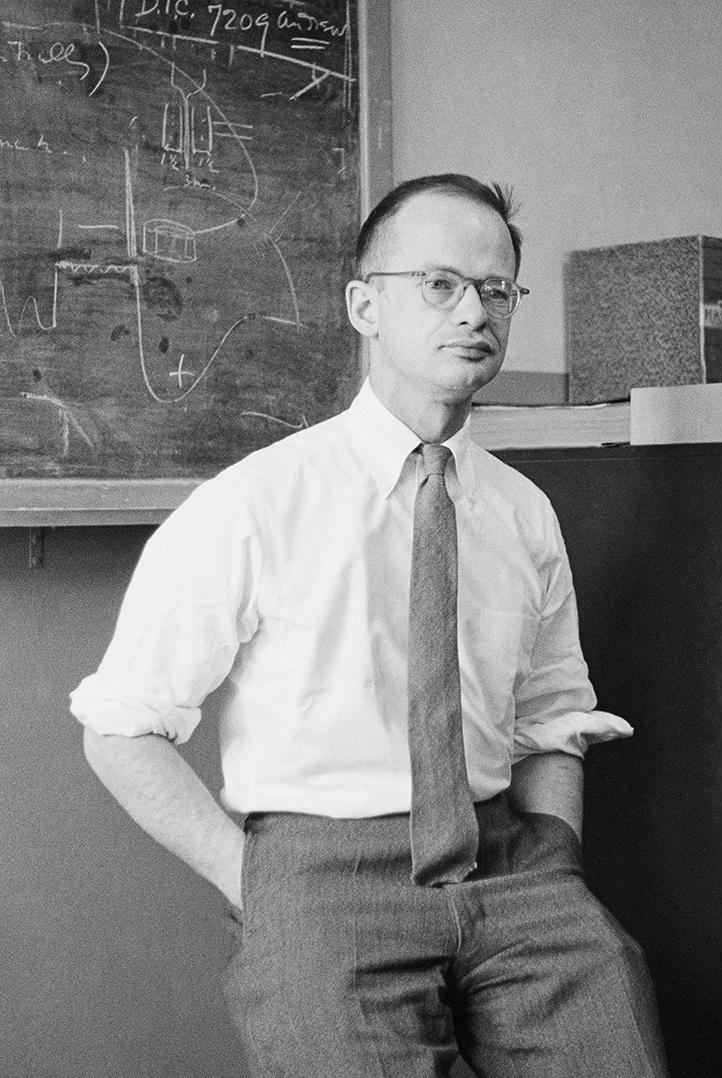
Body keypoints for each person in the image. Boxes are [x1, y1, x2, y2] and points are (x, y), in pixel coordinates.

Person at [71, 173, 669, 1077]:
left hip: (510, 864)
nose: (473, 311)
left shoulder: (521, 512)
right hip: (322, 877)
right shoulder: (254, 504)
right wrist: (257, 887)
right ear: (364, 305)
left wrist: (554, 857)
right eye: (439, 284)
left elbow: (551, 716)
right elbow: (120, 729)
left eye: (496, 289)